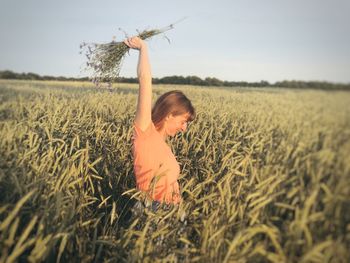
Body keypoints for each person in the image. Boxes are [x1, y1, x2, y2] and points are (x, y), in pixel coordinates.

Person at [123, 36, 195, 212]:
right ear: (170, 115)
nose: (184, 128)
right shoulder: (145, 134)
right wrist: (143, 48)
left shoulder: (163, 145)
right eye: (183, 121)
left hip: (171, 214)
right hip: (153, 212)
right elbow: (145, 80)